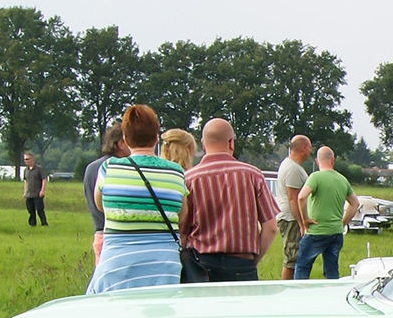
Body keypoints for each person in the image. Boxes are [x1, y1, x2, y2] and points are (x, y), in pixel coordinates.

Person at [87, 105, 186, 293]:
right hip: (165, 268)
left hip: (116, 266)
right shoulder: (176, 171)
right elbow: (182, 215)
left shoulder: (109, 168)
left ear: (125, 139)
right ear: (156, 137)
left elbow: (100, 205)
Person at [178, 118, 278, 282]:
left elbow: (183, 230)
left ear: (203, 144)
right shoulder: (253, 175)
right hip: (242, 263)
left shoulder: (189, 179)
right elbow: (271, 227)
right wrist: (254, 261)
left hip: (201, 265)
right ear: (231, 143)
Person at [293, 146, 359, 279]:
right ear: (333, 160)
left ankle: (299, 294)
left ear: (317, 161)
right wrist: (343, 222)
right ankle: (333, 293)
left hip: (316, 231)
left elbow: (301, 197)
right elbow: (355, 203)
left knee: (302, 265)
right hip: (335, 232)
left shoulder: (315, 177)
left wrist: (305, 219)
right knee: (331, 268)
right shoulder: (342, 179)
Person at [84, 124, 129, 261]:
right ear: (120, 144)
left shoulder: (91, 168)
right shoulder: (122, 167)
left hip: (100, 233)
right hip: (119, 236)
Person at [275, 135, 312, 280]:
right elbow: (293, 199)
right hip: (291, 219)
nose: (310, 151)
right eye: (309, 147)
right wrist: (301, 223)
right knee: (291, 259)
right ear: (303, 148)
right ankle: (287, 291)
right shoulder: (292, 169)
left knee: (295, 258)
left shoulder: (293, 166)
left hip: (293, 219)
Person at [21, 152, 47, 227]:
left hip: (37, 193)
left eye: (27, 159)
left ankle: (44, 223)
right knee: (30, 210)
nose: (25, 161)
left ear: (32, 159)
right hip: (29, 194)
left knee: (39, 210)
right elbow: (25, 181)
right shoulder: (26, 170)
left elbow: (44, 179)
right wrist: (25, 192)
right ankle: (32, 224)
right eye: (25, 159)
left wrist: (42, 191)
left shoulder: (38, 169)